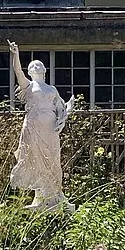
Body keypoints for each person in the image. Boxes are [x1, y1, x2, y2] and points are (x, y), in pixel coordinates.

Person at [7, 40, 76, 211]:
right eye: (33, 66)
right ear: (30, 71)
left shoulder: (52, 89)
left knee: (52, 160)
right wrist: (15, 54)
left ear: (44, 70)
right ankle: (41, 196)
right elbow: (17, 71)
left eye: (39, 65)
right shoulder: (28, 87)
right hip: (33, 127)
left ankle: (55, 195)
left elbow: (60, 108)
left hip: (50, 129)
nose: (36, 67)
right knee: (36, 159)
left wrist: (63, 118)